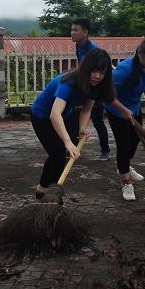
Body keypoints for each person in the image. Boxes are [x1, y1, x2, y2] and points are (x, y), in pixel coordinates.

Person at [30, 49, 118, 199]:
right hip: (42, 116)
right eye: (94, 71)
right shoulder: (69, 82)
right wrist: (68, 142)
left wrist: (82, 128)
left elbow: (86, 109)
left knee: (56, 155)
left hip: (63, 115)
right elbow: (54, 114)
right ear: (86, 68)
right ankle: (50, 195)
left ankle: (43, 189)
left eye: (102, 73)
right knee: (58, 155)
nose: (97, 76)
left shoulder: (96, 86)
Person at [104, 35, 145, 201]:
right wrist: (123, 110)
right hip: (116, 109)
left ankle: (125, 166)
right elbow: (108, 96)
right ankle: (126, 182)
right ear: (139, 53)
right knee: (124, 145)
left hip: (134, 108)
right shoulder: (124, 71)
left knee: (135, 140)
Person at [66, 17, 111, 161]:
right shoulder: (79, 45)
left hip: (96, 87)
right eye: (72, 29)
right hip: (85, 85)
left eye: (75, 30)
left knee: (97, 119)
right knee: (73, 116)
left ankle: (105, 150)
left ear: (85, 32)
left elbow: (101, 72)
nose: (72, 33)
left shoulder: (94, 50)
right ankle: (72, 148)